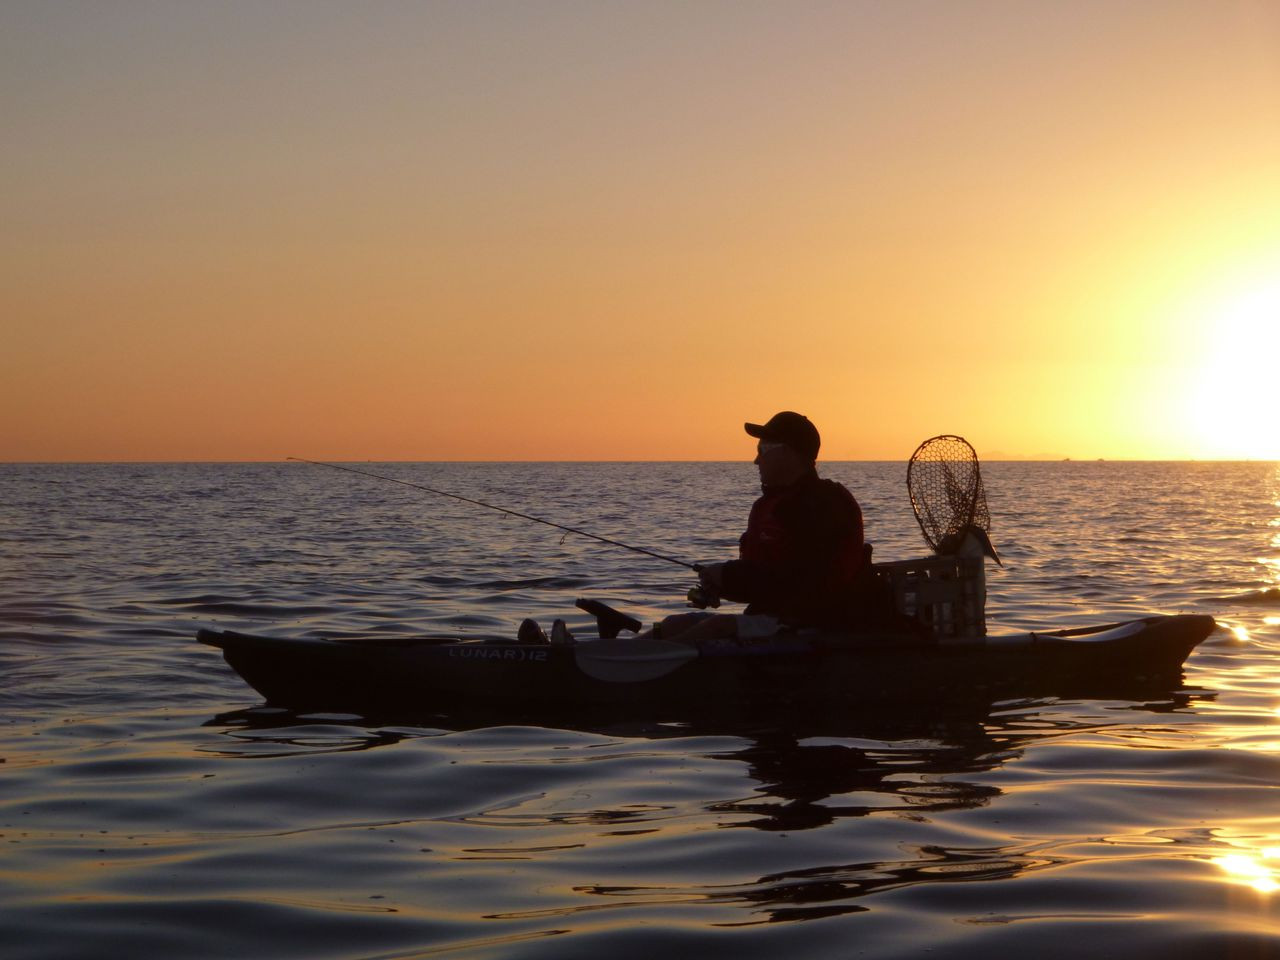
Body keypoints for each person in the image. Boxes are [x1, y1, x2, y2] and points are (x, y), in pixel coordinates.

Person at [656, 411, 867, 645]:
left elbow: (800, 583)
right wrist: (721, 585)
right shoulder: (768, 505)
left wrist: (726, 575)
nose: (756, 461)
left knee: (716, 627)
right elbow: (761, 581)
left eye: (762, 451)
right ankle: (623, 658)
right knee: (672, 624)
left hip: (812, 622)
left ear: (787, 452)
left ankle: (646, 665)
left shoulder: (824, 504)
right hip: (772, 618)